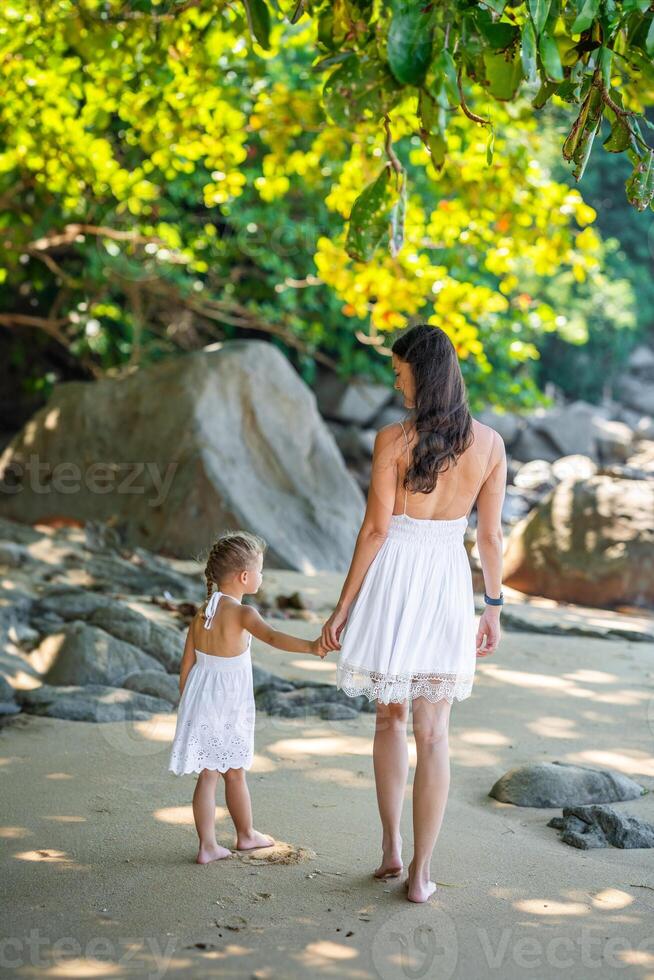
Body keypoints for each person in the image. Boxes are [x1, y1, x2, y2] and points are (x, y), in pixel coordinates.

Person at [321, 323, 507, 904]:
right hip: (448, 581)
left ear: (419, 372)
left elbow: (376, 530)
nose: (394, 378)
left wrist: (343, 606)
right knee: (435, 733)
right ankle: (421, 873)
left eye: (399, 368)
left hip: (396, 576)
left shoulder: (392, 440)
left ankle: (391, 848)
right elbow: (492, 538)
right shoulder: (490, 445)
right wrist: (494, 607)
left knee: (390, 721)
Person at [168, 530, 327, 865]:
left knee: (208, 775)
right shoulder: (244, 614)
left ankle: (207, 845)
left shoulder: (203, 613)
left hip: (200, 699)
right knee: (236, 771)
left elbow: (187, 663)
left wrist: (188, 704)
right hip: (229, 704)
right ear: (244, 576)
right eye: (260, 570)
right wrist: (311, 646)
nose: (262, 575)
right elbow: (273, 637)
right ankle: (245, 834)